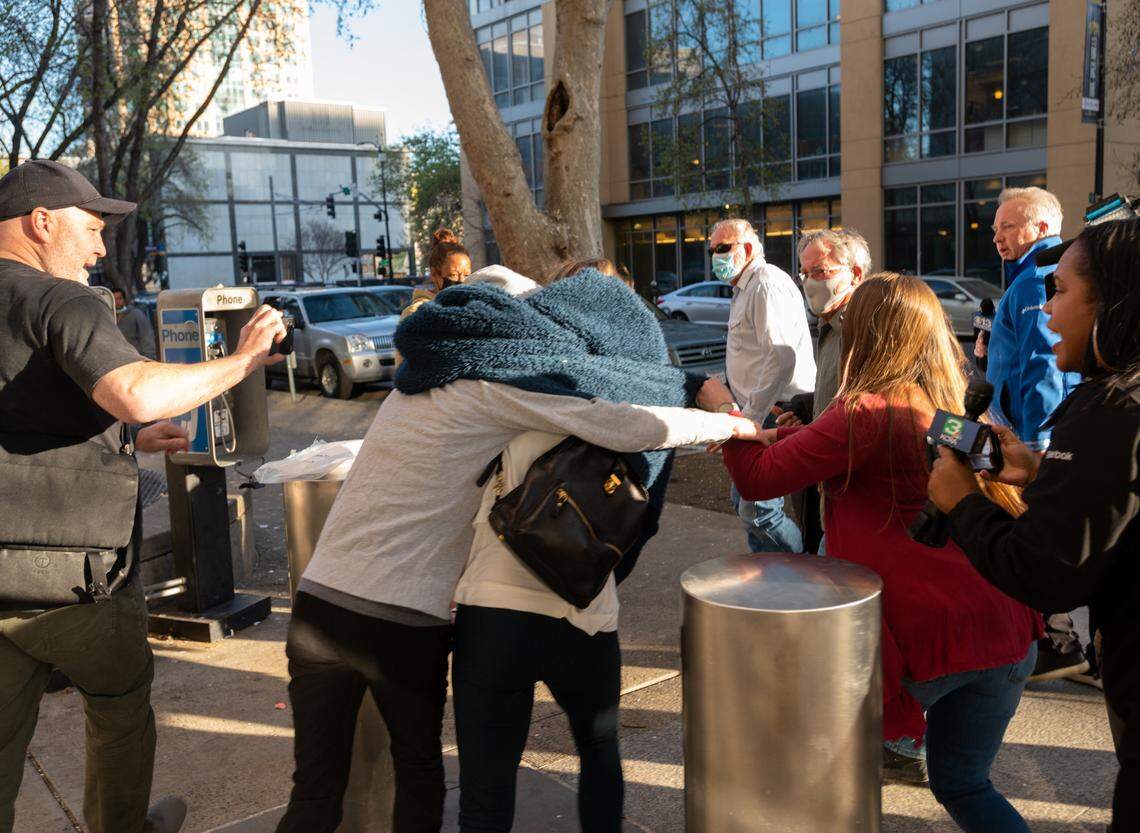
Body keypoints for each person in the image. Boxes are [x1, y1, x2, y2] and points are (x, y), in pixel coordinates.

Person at [274, 265, 759, 833]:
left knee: (316, 794)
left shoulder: (412, 386)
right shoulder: (500, 387)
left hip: (320, 604)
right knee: (422, 773)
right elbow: (628, 424)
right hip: (411, 620)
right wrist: (730, 425)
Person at [0, 160, 287, 833]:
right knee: (121, 707)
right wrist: (243, 360)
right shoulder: (61, 300)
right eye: (92, 229)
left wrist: (126, 438)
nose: (101, 248)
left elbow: (31, 415)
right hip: (81, 579)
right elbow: (134, 389)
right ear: (42, 223)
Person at [709, 272, 1042, 833]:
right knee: (964, 783)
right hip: (1004, 632)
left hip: (918, 639)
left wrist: (725, 409)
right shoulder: (955, 406)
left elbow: (760, 477)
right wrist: (804, 433)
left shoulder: (866, 411)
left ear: (864, 335)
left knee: (814, 780)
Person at [928, 218, 1140, 832]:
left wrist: (962, 501)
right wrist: (1042, 470)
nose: (1045, 311)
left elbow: (1046, 572)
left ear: (1117, 302)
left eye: (1061, 291)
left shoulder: (1111, 407)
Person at [989, 186, 1087, 682]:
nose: (997, 235)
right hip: (1046, 425)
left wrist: (1035, 444)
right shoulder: (1050, 274)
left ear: (1041, 228)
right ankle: (1061, 637)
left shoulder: (1033, 280)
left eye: (1008, 225)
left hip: (1033, 433)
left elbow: (1042, 364)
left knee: (1037, 533)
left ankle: (1058, 640)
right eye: (995, 227)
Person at [707, 218, 815, 553]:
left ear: (749, 248)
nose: (715, 256)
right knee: (747, 501)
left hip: (773, 413)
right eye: (712, 250)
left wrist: (750, 418)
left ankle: (802, 575)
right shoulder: (745, 287)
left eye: (722, 248)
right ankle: (771, 578)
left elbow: (781, 359)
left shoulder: (765, 284)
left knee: (758, 511)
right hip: (756, 413)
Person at [112, 288, 157, 360]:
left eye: (119, 299)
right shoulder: (109, 316)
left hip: (136, 358)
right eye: (114, 300)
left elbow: (147, 336)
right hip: (118, 359)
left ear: (124, 300)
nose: (116, 302)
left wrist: (149, 358)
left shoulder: (136, 314)